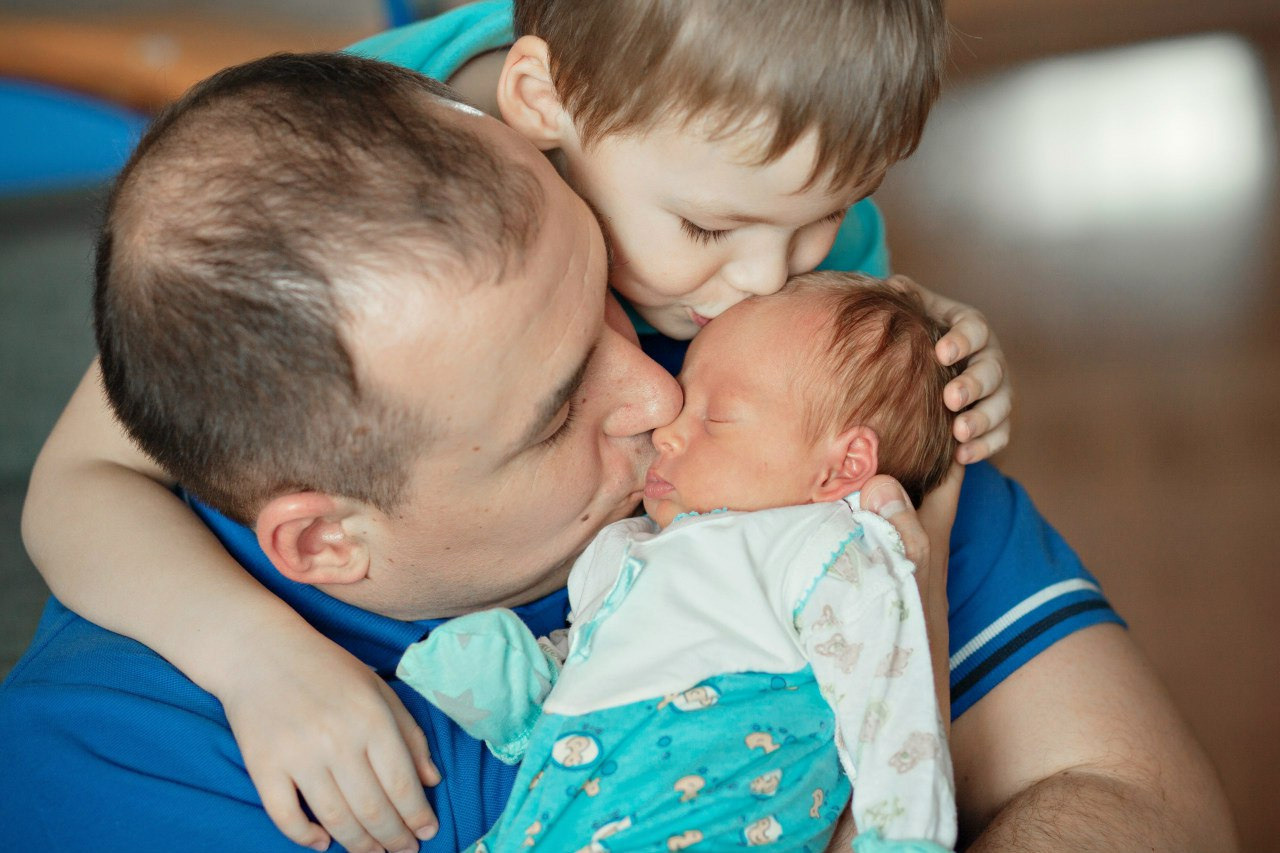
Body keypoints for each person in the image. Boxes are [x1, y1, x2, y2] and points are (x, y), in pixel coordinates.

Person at [15, 3, 1233, 851]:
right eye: (556, 409)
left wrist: (905, 345)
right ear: (537, 107)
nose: (659, 391)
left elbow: (1139, 798)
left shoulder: (766, 417)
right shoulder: (122, 760)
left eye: (604, 300)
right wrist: (253, 656)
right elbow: (83, 473)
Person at [402, 273, 961, 852]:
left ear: (842, 467)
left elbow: (892, 702)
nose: (667, 430)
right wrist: (526, 692)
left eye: (716, 418)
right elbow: (607, 664)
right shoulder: (625, 548)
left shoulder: (820, 551)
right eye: (683, 396)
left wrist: (903, 835)